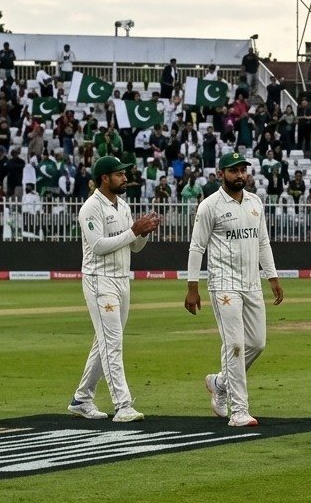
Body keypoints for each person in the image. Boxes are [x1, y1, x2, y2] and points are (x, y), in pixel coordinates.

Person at [184, 151, 283, 427]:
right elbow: (197, 247)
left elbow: (263, 242)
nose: (240, 175)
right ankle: (239, 410)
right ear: (221, 174)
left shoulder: (255, 202)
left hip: (251, 283)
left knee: (257, 343)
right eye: (233, 170)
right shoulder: (210, 206)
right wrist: (192, 286)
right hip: (223, 284)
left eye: (243, 170)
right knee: (235, 344)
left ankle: (219, 383)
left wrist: (272, 277)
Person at [67, 156, 161, 423]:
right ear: (105, 178)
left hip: (121, 279)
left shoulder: (123, 206)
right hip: (100, 280)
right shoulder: (91, 207)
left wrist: (143, 233)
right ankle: (123, 405)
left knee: (105, 342)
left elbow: (134, 247)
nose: (125, 178)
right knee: (112, 343)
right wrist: (133, 231)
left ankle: (82, 399)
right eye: (120, 174)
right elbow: (98, 246)